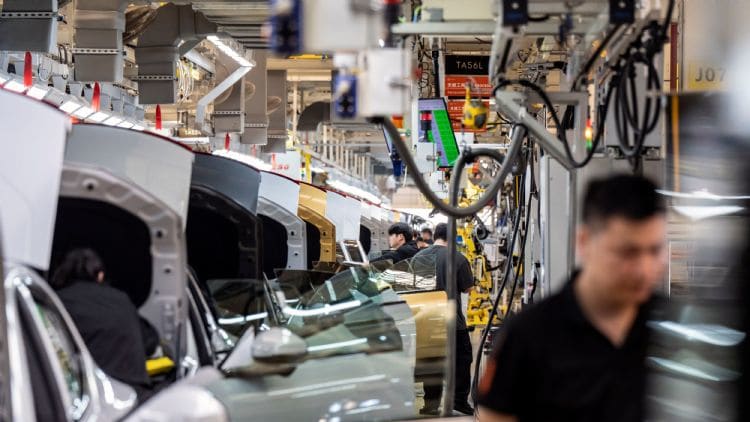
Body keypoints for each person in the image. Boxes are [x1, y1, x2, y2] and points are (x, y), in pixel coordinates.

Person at [477, 174, 667, 422]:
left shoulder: (674, 325)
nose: (644, 270)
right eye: (627, 252)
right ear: (584, 242)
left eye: (654, 250)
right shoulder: (528, 335)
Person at [52, 248, 152, 394]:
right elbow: (150, 341)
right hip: (134, 391)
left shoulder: (58, 302)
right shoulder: (121, 299)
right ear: (100, 275)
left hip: (89, 393)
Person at [414, 223, 475, 415]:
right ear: (453, 237)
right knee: (462, 359)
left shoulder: (417, 257)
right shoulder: (458, 258)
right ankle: (459, 401)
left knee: (432, 360)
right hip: (452, 321)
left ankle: (430, 404)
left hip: (426, 320)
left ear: (435, 236)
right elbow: (468, 288)